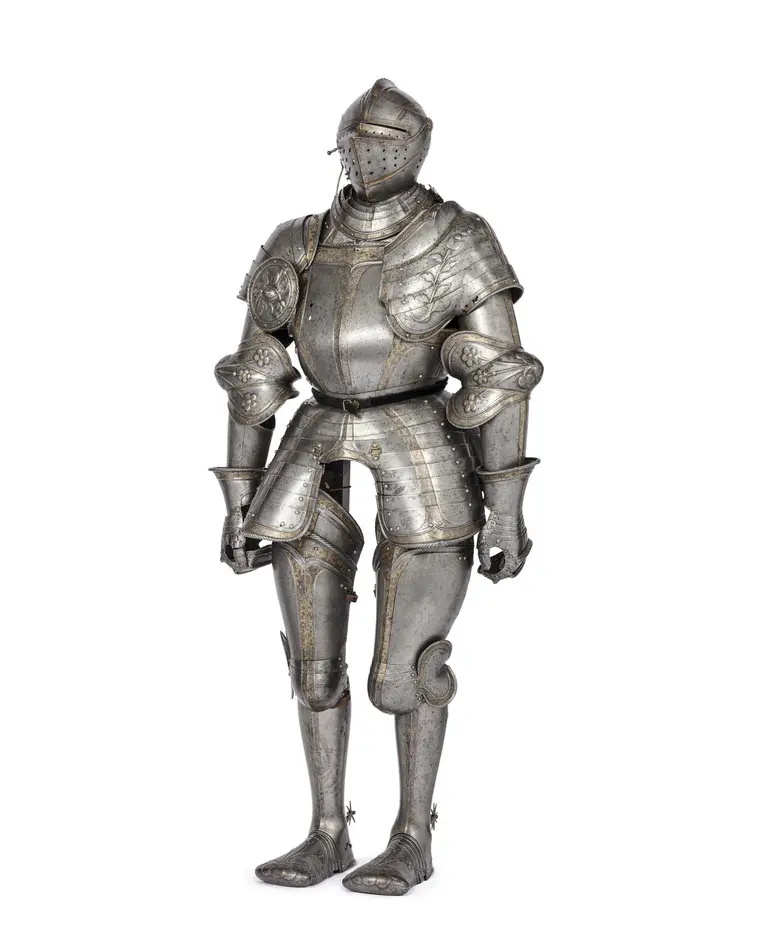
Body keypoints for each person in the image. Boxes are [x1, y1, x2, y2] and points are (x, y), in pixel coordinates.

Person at [212, 79, 542, 896]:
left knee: (407, 671)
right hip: (314, 440)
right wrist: (239, 499)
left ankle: (411, 836)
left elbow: (499, 376)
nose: (368, 156)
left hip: (419, 438)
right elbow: (256, 374)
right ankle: (327, 831)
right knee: (314, 669)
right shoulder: (297, 242)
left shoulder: (458, 238)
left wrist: (506, 513)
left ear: (417, 149)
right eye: (357, 144)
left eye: (385, 145)